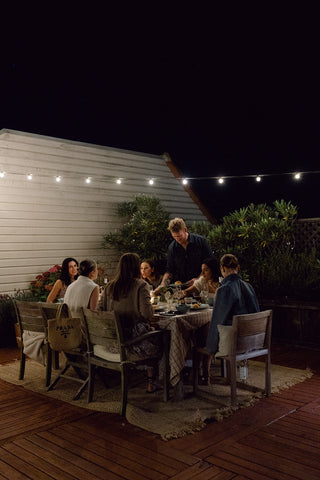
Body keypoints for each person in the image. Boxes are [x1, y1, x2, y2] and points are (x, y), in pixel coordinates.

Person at [102, 252, 161, 393]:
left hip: (110, 342)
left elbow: (101, 311)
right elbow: (147, 314)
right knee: (164, 337)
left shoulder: (109, 286)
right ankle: (152, 382)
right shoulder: (141, 285)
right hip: (131, 343)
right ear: (136, 267)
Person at [206, 254, 260, 355]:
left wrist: (210, 348)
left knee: (199, 340)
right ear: (238, 268)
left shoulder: (224, 289)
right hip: (252, 342)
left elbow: (217, 321)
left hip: (233, 344)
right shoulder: (249, 286)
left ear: (222, 268)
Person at [154, 217, 212, 294]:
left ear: (185, 230)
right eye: (174, 237)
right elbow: (170, 270)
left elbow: (210, 265)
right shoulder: (172, 248)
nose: (177, 239)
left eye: (179, 236)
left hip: (203, 286)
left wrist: (198, 280)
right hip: (183, 289)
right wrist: (162, 285)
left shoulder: (201, 242)